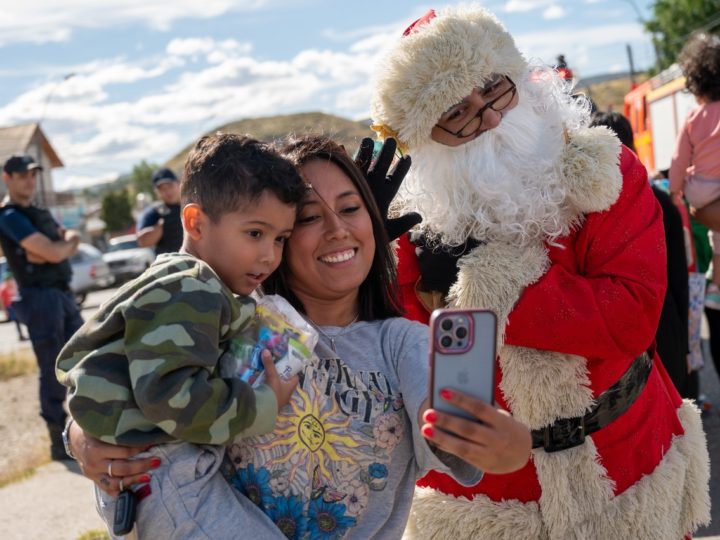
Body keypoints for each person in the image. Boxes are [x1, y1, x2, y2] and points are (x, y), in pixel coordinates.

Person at [65, 134, 533, 539]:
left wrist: (506, 444)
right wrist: (82, 435)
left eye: (351, 209)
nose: (337, 229)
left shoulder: (400, 344)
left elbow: (453, 427)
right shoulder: (236, 322)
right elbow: (137, 375)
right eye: (310, 218)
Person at [370, 5, 710, 538]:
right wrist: (372, 265)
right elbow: (403, 362)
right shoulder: (409, 228)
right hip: (488, 498)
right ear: (426, 137)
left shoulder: (604, 170)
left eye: (495, 88)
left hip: (628, 463)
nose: (490, 117)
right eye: (457, 112)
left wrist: (495, 279)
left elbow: (632, 316)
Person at [56, 133, 304, 538]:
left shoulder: (186, 279)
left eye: (280, 239)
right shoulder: (195, 288)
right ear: (195, 222)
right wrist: (263, 404)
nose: (269, 256)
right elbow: (171, 397)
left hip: (159, 471)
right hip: (166, 471)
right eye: (255, 233)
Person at [592, 111, 692, 398]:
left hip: (618, 342)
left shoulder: (587, 213)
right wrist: (685, 344)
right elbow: (679, 281)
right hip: (664, 327)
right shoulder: (660, 202)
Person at [0, 154, 83, 460]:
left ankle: (85, 428)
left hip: (61, 293)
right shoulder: (9, 216)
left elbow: (64, 242)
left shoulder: (36, 212)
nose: (29, 180)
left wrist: (61, 247)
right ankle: (56, 439)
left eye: (33, 174)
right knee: (52, 368)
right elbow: (49, 250)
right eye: (22, 175)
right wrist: (57, 249)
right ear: (7, 178)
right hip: (39, 298)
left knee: (84, 359)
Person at [668, 32, 720, 309]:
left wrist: (676, 191)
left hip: (701, 191)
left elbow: (678, 159)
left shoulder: (693, 117)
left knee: (717, 236)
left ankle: (716, 284)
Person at [136, 167, 183, 255]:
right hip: (170, 264)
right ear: (156, 192)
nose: (168, 191)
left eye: (170, 186)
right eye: (162, 189)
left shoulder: (193, 204)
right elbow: (142, 241)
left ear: (179, 183)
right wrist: (163, 224)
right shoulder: (154, 212)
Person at [0, 269, 27, 340]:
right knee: (17, 321)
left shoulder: (14, 284)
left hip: (16, 304)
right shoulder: (3, 288)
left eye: (10, 279)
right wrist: (4, 310)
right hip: (10, 307)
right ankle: (20, 335)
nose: (9, 280)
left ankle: (22, 334)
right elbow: (2, 301)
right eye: (7, 279)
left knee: (20, 320)